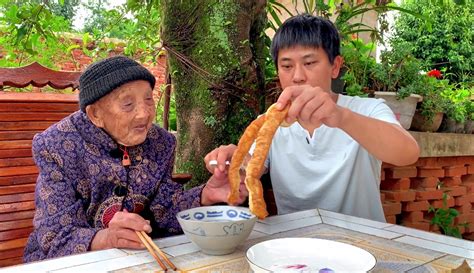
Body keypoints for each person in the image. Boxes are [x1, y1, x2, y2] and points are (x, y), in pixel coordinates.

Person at [24, 56, 246, 262]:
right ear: (95, 114)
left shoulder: (161, 142)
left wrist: (206, 195)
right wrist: (106, 239)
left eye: (148, 100)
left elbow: (164, 210)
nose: (144, 114)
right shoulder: (56, 146)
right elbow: (53, 236)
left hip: (137, 259)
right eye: (128, 104)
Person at [204, 14, 420, 222]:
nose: (297, 76)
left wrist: (340, 117)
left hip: (362, 245)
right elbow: (251, 168)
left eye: (309, 63)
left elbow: (408, 153)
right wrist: (231, 165)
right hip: (296, 246)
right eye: (287, 66)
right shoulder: (271, 122)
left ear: (335, 67)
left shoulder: (367, 109)